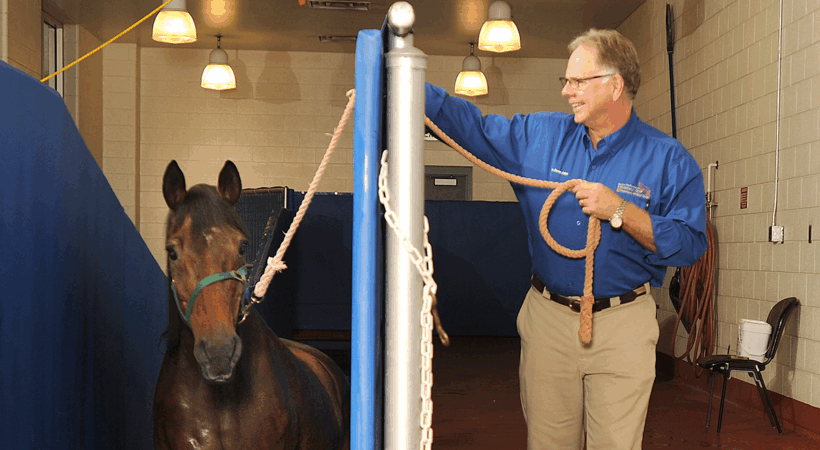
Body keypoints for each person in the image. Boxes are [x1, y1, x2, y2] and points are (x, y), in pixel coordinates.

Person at [425, 29, 707, 450]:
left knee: (615, 443)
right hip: (548, 320)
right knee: (548, 443)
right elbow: (474, 127)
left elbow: (690, 243)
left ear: (616, 85)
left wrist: (620, 211)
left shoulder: (668, 159)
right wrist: (409, 82)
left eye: (579, 81)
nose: (567, 92)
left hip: (622, 324)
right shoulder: (538, 138)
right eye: (566, 81)